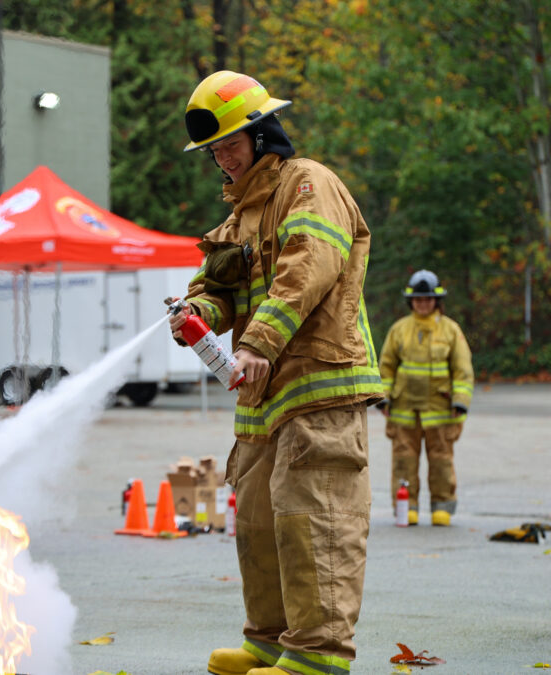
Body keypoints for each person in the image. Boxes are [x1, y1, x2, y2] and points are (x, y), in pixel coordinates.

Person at [168, 70, 383, 675]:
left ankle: (317, 656)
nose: (222, 160)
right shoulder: (236, 220)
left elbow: (308, 265)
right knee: (262, 526)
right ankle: (268, 642)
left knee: (314, 521)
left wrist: (258, 340)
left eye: (230, 145)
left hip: (318, 387)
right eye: (214, 151)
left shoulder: (308, 184)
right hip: (261, 401)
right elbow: (216, 288)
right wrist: (198, 313)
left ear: (264, 134)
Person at [377, 269, 474, 526]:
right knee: (403, 461)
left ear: (436, 300)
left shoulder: (451, 331)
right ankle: (406, 506)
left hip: (440, 411)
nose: (423, 303)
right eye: (418, 299)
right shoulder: (399, 330)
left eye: (428, 299)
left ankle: (442, 506)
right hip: (403, 411)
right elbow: (386, 367)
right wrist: (383, 399)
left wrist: (460, 403)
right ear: (411, 301)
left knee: (441, 460)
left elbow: (463, 370)